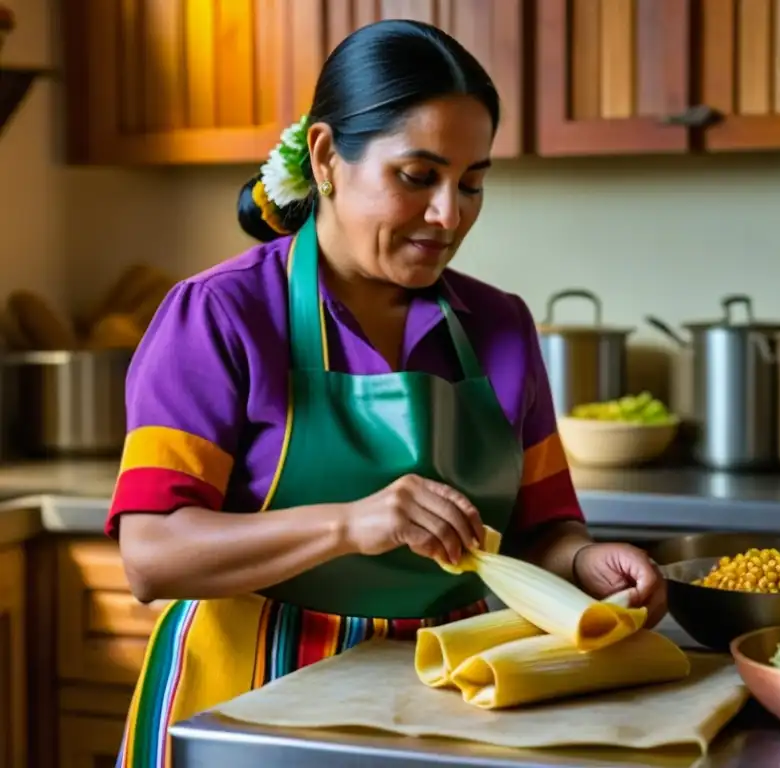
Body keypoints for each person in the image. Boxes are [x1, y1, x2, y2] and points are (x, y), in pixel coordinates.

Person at [108, 18, 667, 768]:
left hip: (441, 706)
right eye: (418, 176)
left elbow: (544, 530)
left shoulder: (499, 326)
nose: (450, 215)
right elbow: (152, 554)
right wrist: (351, 523)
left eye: (472, 184)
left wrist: (586, 565)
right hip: (243, 711)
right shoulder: (221, 315)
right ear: (328, 156)